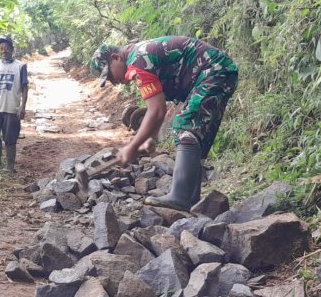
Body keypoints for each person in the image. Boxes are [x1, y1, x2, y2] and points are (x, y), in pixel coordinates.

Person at [89, 36, 238, 210]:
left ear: (116, 58)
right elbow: (160, 109)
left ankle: (180, 197)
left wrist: (131, 147)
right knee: (198, 137)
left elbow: (157, 110)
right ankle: (191, 198)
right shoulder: (138, 57)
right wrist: (150, 138)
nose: (113, 82)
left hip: (213, 71)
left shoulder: (138, 62)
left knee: (185, 125)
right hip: (219, 71)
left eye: (110, 76)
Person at [0, 35, 28, 172]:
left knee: (10, 137)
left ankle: (9, 166)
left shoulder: (20, 66)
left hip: (12, 107)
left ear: (12, 49)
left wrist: (23, 106)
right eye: (0, 48)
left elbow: (24, 87)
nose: (3, 51)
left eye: (6, 48)